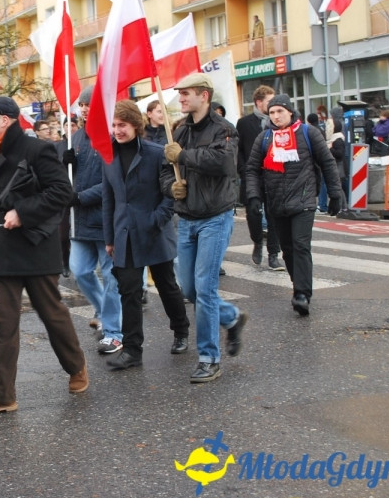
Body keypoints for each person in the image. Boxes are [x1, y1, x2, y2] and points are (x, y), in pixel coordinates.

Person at [0, 96, 87, 414]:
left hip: (35, 245)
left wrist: (22, 212)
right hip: (1, 251)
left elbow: (62, 191)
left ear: (5, 120)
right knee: (2, 323)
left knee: (52, 313)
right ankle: (3, 396)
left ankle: (76, 366)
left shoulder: (36, 149)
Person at [161, 73, 248, 384]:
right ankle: (232, 318)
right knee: (190, 289)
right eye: (180, 94)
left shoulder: (224, 129)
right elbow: (165, 170)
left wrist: (183, 156)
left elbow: (223, 163)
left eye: (186, 93)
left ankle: (209, 358)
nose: (181, 99)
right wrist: (173, 188)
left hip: (215, 217)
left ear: (204, 96)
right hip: (187, 218)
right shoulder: (180, 131)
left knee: (205, 289)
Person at [103, 101, 190, 369]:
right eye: (115, 125)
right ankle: (132, 350)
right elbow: (108, 198)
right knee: (128, 290)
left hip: (154, 232)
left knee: (166, 285)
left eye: (123, 125)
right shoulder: (107, 155)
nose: (118, 130)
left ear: (136, 126)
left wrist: (158, 219)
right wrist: (109, 238)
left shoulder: (155, 153)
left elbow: (171, 192)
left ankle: (181, 330)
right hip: (124, 234)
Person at [245, 94, 344, 317]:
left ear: (290, 112)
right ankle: (297, 283)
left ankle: (302, 294)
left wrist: (335, 194)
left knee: (300, 245)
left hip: (304, 199)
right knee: (287, 249)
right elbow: (252, 169)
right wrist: (253, 197)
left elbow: (327, 162)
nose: (276, 116)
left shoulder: (309, 133)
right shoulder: (264, 138)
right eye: (272, 112)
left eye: (280, 111)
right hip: (277, 203)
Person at [64, 85, 123, 354]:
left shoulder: (112, 137)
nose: (85, 108)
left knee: (111, 276)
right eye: (82, 104)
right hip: (80, 222)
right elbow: (69, 176)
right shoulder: (76, 138)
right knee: (80, 270)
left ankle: (113, 330)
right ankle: (101, 309)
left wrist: (81, 197)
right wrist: (64, 161)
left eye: (90, 104)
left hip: (105, 220)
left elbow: (112, 182)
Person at [236, 86, 284, 270]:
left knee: (274, 216)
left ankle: (273, 255)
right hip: (252, 177)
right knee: (254, 213)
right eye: (270, 102)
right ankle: (257, 241)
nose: (274, 107)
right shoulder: (244, 123)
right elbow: (239, 150)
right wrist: (243, 170)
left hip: (273, 177)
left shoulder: (278, 124)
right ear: (259, 102)